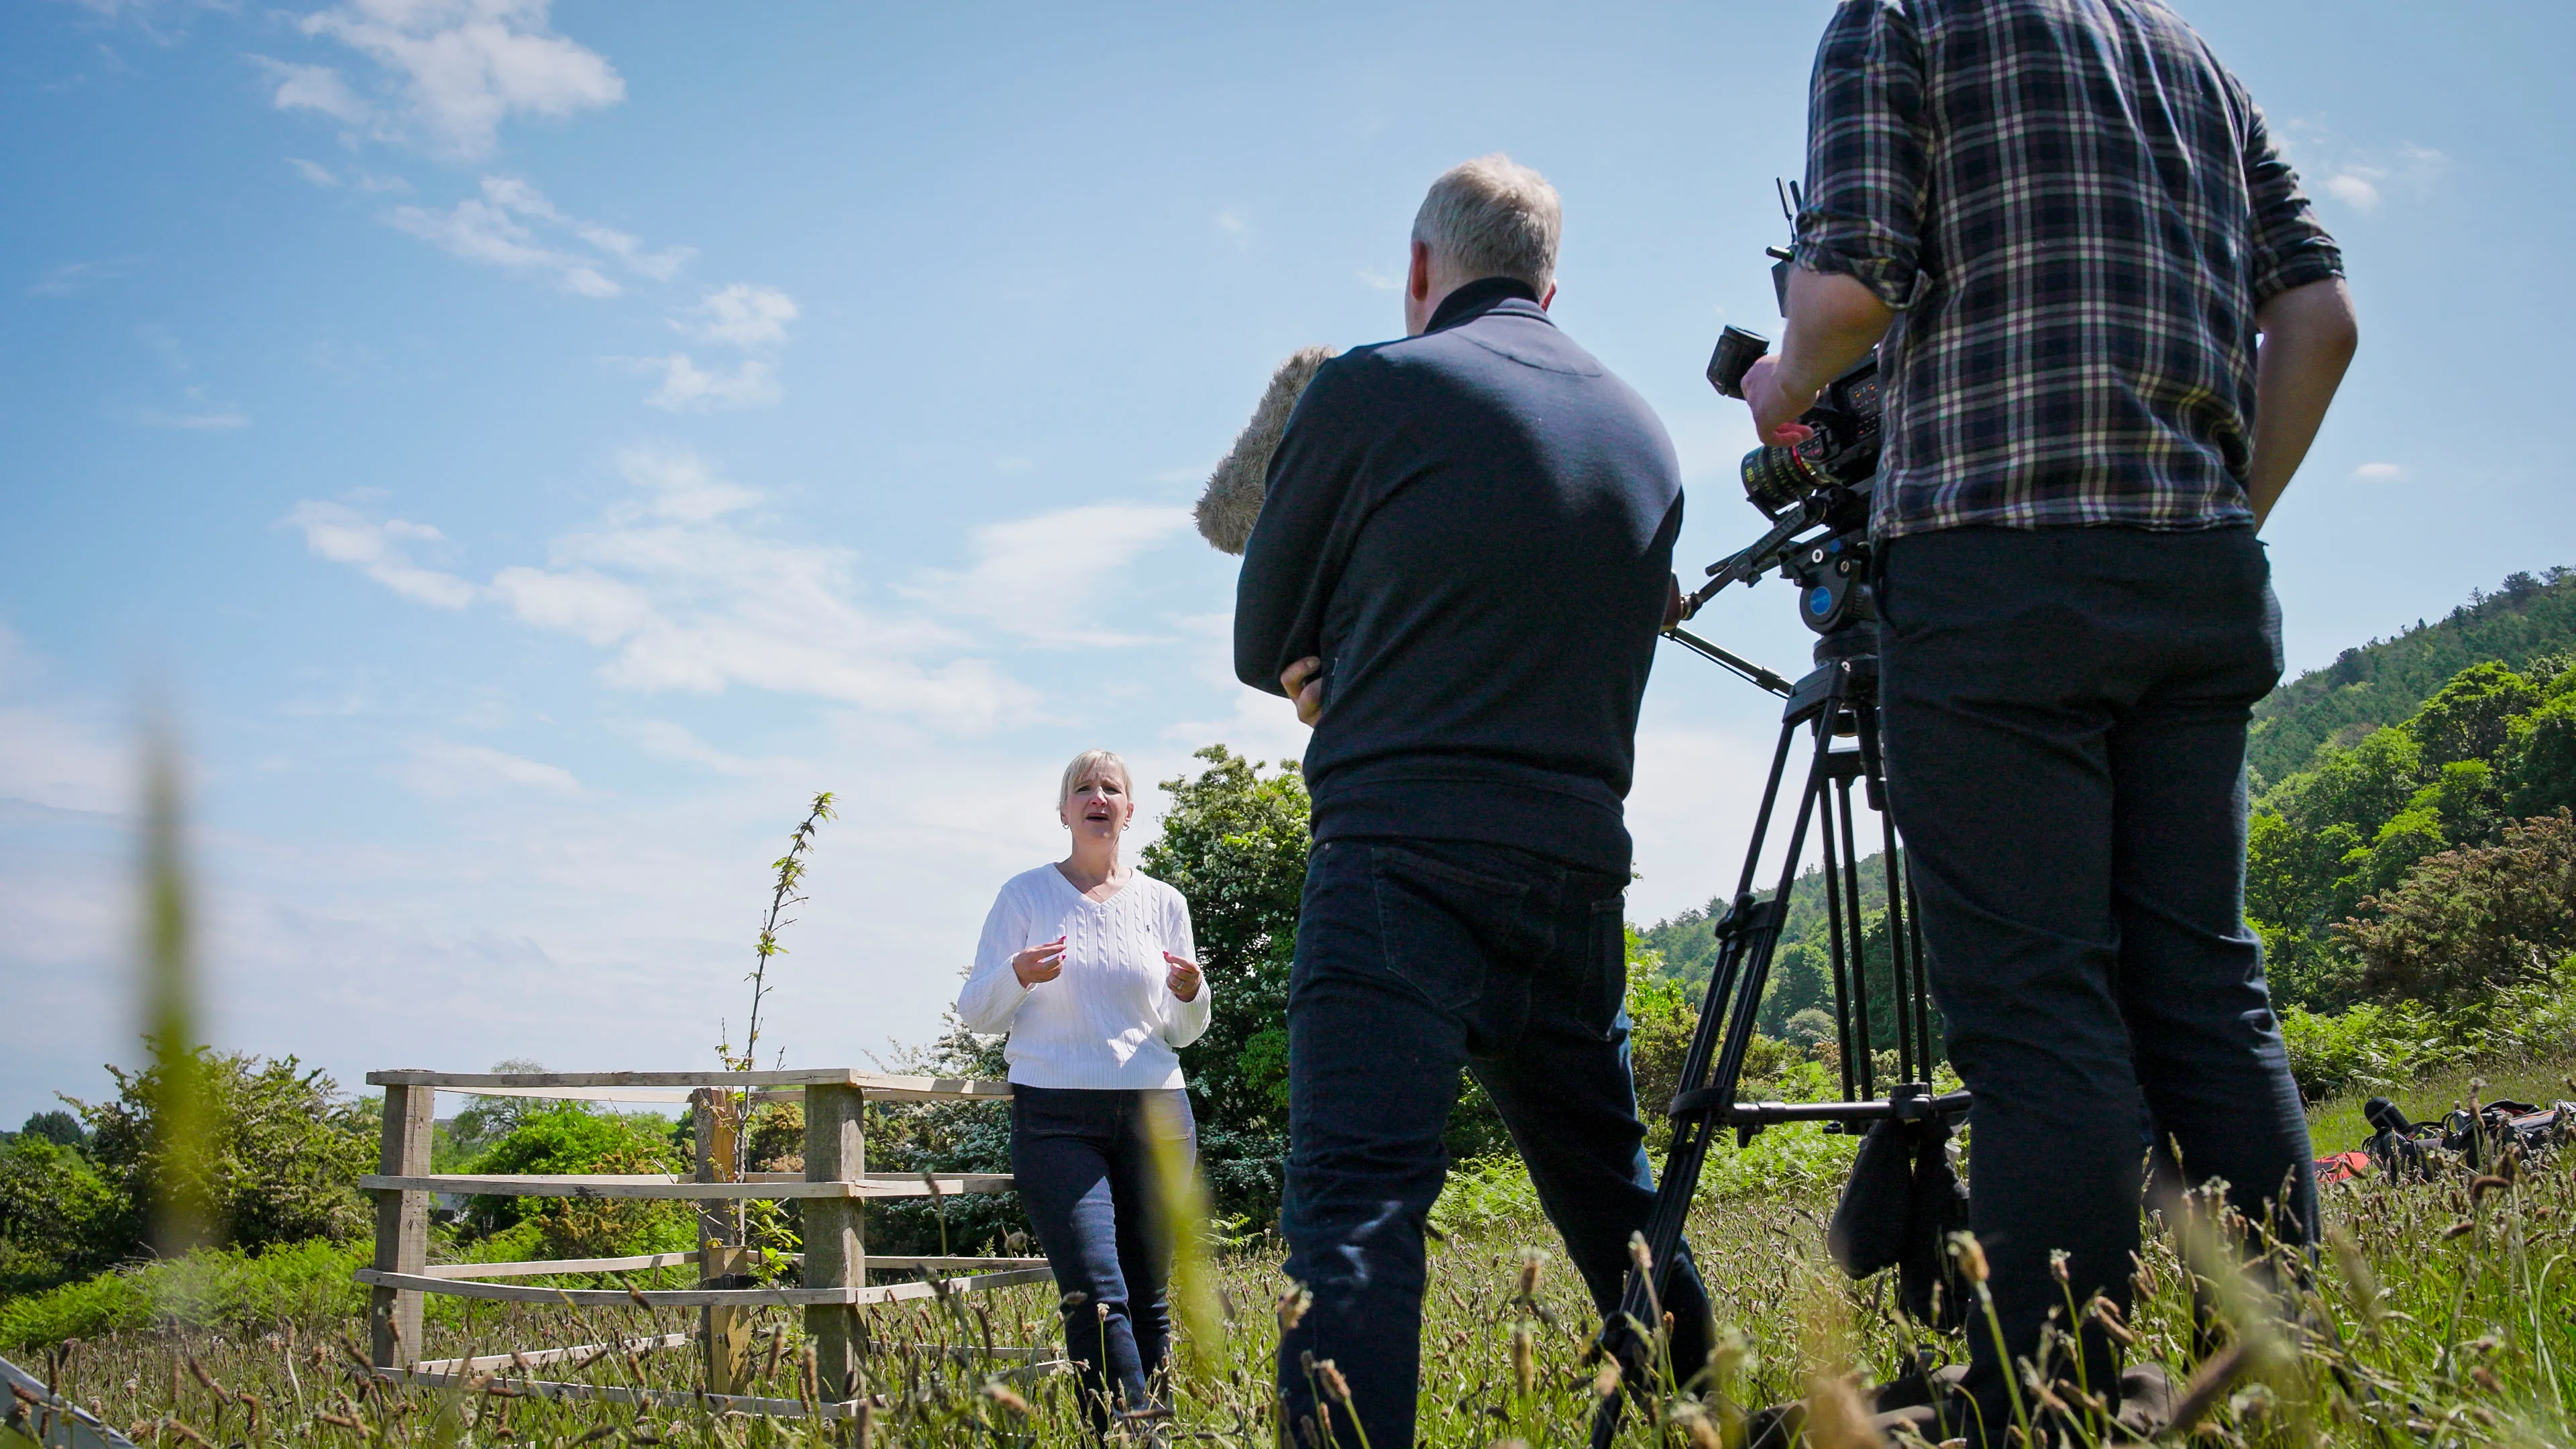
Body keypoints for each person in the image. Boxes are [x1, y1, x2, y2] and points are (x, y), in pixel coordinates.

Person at [1736, 0, 2359, 1437]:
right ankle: (2275, 1375)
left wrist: (1782, 383)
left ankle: (2064, 1401)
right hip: (2196, 570)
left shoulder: (1902, 17)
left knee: (2040, 1009)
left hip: (1991, 557)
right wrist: (2215, 517)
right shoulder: (2191, 54)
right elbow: (2319, 320)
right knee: (2206, 983)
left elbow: (1846, 298)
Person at [1235, 154, 1711, 1447]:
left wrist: (1354, 646)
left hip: (1399, 852)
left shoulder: (1370, 388)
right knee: (1614, 1201)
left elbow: (1259, 634)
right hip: (1575, 869)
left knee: (1360, 1211)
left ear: (1418, 268)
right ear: (1554, 282)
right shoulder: (1646, 430)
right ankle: (1700, 1417)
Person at [956, 749, 1212, 1436]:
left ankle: (1144, 1430)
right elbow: (976, 1010)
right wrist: (1018, 972)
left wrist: (1193, 991)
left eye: (1111, 788)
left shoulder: (1165, 902)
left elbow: (1184, 1032)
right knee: (1097, 1296)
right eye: (1083, 788)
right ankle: (1140, 1436)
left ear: (1129, 810)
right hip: (1057, 1117)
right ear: (1064, 811)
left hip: (1157, 1110)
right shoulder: (1025, 896)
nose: (1098, 797)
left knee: (1150, 1299)